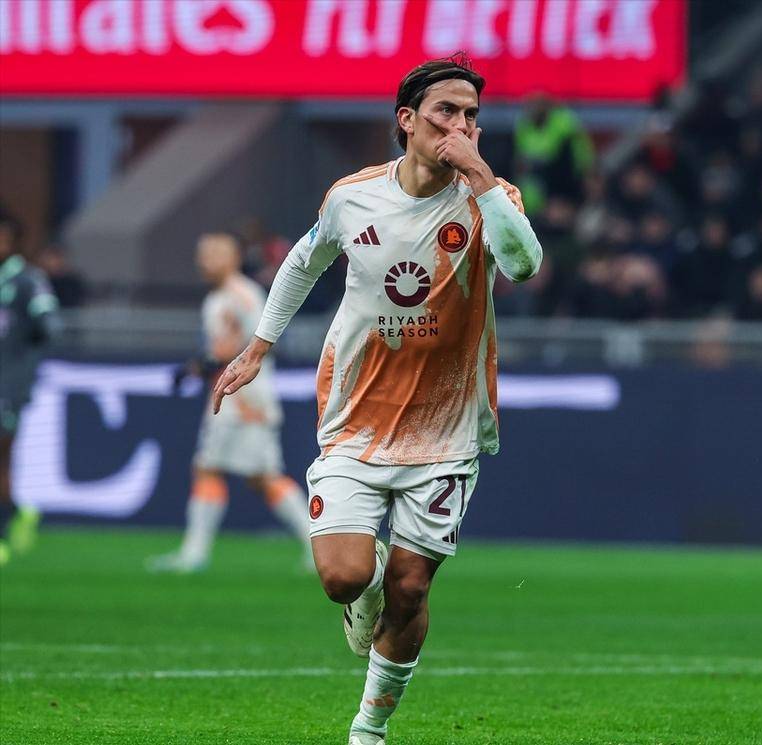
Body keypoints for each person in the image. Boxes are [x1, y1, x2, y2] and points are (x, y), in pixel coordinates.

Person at [211, 55, 542, 745]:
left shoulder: (490, 198)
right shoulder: (352, 197)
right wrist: (258, 347)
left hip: (446, 430)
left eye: (472, 116)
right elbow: (303, 262)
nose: (460, 126)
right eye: (446, 112)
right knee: (343, 577)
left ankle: (368, 729)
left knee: (411, 588)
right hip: (355, 418)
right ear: (407, 121)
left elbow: (523, 264)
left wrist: (481, 178)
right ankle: (364, 596)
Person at [147, 233, 311, 573]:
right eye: (203, 253)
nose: (205, 260)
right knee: (256, 476)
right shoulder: (221, 297)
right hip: (236, 396)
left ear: (234, 257)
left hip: (242, 398)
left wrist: (199, 366)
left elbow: (251, 344)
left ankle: (194, 554)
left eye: (215, 253)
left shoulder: (240, 295)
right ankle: (314, 546)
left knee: (221, 470)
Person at [0, 209, 58, 568]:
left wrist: (23, 366)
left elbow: (50, 325)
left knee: (1, 457)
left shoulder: (26, 280)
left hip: (7, 385)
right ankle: (20, 511)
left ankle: (2, 535)